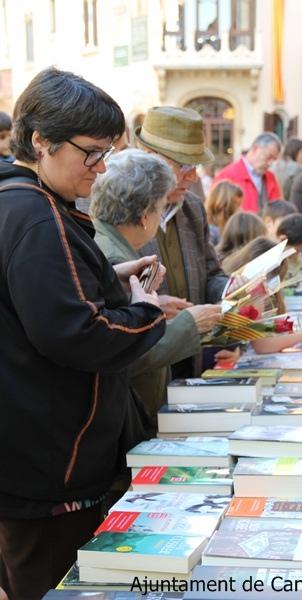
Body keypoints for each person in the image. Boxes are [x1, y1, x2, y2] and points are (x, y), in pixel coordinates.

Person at [0, 68, 166, 600]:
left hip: (34, 459)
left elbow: (37, 303)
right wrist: (146, 311)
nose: (100, 167)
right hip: (51, 467)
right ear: (41, 142)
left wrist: (104, 278)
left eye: (107, 152)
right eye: (91, 152)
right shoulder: (36, 214)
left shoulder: (24, 203)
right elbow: (75, 331)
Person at [91, 149, 222, 428]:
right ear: (143, 217)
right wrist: (190, 323)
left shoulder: (108, 244)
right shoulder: (113, 256)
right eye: (161, 207)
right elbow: (128, 352)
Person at [134, 106, 228, 376]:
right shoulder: (118, 210)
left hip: (189, 360)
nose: (193, 177)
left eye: (195, 166)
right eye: (184, 166)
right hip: (146, 368)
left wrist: (234, 289)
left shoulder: (192, 208)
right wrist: (154, 304)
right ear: (151, 159)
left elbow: (211, 273)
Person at [222, 237, 302, 353]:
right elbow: (262, 345)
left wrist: (298, 331)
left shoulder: (253, 288)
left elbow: (265, 329)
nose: (267, 287)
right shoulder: (244, 291)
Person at [213, 131, 282, 214]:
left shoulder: (271, 178)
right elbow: (217, 212)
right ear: (255, 149)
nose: (270, 163)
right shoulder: (226, 176)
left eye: (274, 159)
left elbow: (279, 209)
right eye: (269, 157)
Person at [205, 179, 243, 245]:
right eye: (237, 205)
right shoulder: (210, 230)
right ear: (224, 206)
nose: (240, 209)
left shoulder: (235, 225)